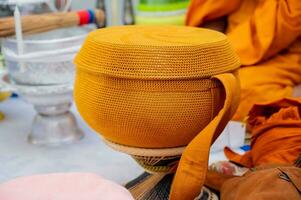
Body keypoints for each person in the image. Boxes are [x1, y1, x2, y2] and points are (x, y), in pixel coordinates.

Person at [186, 0, 301, 121]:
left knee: (231, 93)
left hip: (285, 54)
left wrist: (219, 57)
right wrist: (206, 53)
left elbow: (285, 23)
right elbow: (212, 14)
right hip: (233, 41)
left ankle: (294, 98)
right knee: (196, 89)